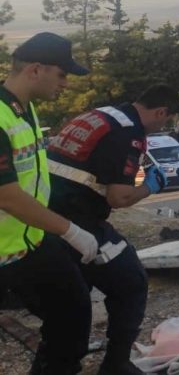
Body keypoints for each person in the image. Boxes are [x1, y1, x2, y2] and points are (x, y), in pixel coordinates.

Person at [48, 84, 179, 374]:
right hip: (77, 220)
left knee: (72, 299)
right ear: (161, 112)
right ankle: (116, 365)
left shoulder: (99, 115)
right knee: (131, 282)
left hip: (46, 214)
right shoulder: (128, 133)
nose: (162, 127)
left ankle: (60, 363)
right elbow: (118, 197)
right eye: (167, 120)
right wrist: (150, 187)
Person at [0, 32, 101, 374]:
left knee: (72, 315)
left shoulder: (23, 109)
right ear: (35, 69)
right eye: (61, 74)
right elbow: (6, 194)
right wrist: (70, 230)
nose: (66, 84)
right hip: (5, 251)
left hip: (28, 241)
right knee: (68, 316)